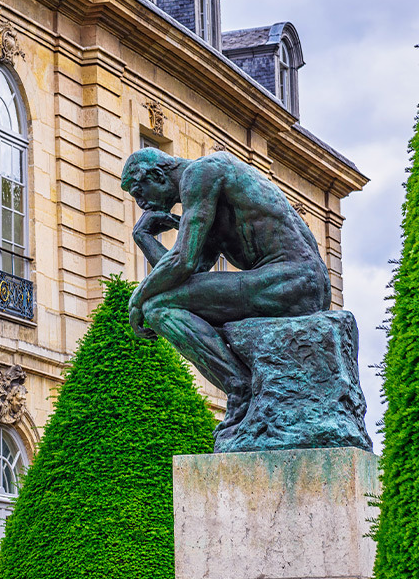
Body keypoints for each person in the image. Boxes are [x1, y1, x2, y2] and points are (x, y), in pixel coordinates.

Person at [121, 147, 331, 435]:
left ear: (157, 175)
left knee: (156, 307)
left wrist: (138, 297)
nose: (142, 203)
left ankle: (240, 387)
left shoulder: (201, 173)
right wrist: (143, 237)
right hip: (294, 283)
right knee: (161, 303)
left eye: (139, 192)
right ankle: (242, 386)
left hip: (293, 280)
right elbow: (186, 277)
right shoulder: (205, 199)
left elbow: (183, 261)